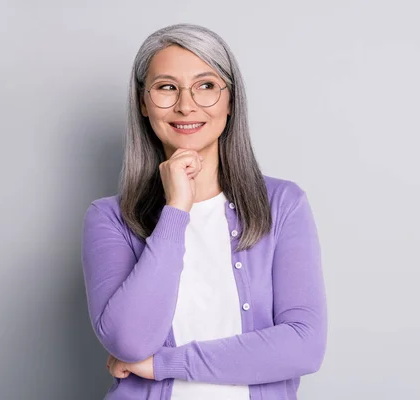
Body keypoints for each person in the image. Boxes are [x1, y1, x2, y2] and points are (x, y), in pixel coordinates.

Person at [80, 23, 327, 400]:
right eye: (166, 87)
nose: (186, 104)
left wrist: (162, 364)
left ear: (230, 100)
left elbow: (303, 345)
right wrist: (176, 208)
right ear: (143, 102)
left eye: (206, 86)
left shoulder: (282, 204)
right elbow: (129, 341)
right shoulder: (110, 218)